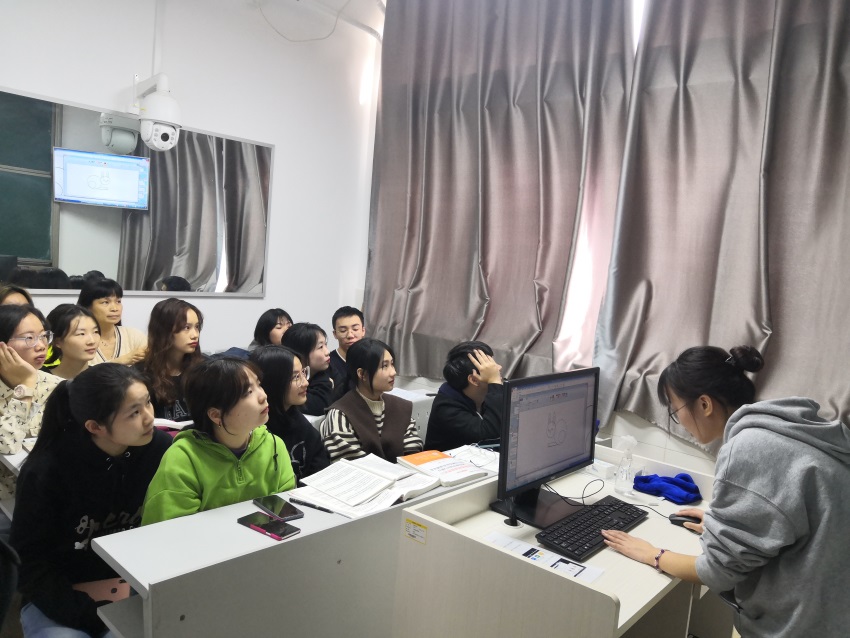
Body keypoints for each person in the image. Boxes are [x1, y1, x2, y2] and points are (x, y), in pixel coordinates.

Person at [601, 345, 850, 638]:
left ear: (704, 404)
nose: (679, 422)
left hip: (804, 625)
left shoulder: (749, 447)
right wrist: (724, 525)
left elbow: (716, 572)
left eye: (676, 411)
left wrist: (651, 553)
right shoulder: (788, 428)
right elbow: (791, 512)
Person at [11, 364, 171, 637]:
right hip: (61, 593)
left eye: (147, 403)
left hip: (135, 585)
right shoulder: (48, 469)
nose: (149, 418)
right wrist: (88, 614)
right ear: (95, 426)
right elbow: (30, 562)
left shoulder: (157, 448)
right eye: (134, 412)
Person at [142, 357, 296, 524]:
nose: (263, 396)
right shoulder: (183, 460)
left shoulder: (273, 445)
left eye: (259, 385)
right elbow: (174, 531)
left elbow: (287, 512)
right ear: (216, 415)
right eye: (248, 392)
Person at [321, 338, 422, 462]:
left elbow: (413, 454)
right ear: (362, 374)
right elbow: (351, 464)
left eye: (392, 364)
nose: (393, 372)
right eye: (384, 366)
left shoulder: (400, 407)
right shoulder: (340, 415)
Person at [0, 305, 61, 506]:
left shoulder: (56, 386)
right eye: (29, 338)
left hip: (46, 493)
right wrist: (26, 385)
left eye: (44, 336)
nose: (41, 345)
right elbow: (7, 445)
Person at [250, 345, 330, 481]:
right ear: (273, 382)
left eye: (303, 373)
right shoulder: (253, 431)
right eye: (295, 377)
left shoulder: (299, 422)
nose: (305, 383)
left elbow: (321, 471)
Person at [425, 341, 503, 451]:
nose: (498, 368)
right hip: (446, 459)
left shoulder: (486, 393)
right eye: (491, 367)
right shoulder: (446, 407)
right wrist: (494, 381)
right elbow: (489, 434)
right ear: (474, 380)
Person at [139, 298, 203, 421]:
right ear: (164, 330)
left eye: (197, 327)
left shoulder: (204, 368)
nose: (195, 335)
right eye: (186, 327)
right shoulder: (141, 374)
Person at [77, 278, 146, 365]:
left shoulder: (134, 336)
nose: (115, 308)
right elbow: (75, 372)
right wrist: (119, 361)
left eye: (118, 301)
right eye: (105, 302)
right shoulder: (77, 340)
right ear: (87, 307)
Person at [282, 322, 334, 416]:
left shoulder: (328, 372)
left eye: (325, 345)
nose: (327, 352)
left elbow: (320, 406)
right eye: (320, 347)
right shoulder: (282, 375)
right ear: (300, 352)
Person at [43, 304, 100, 379]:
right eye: (81, 334)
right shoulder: (41, 380)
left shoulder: (104, 379)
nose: (92, 341)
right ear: (57, 341)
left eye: (95, 332)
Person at [328, 306, 365, 391]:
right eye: (343, 330)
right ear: (335, 334)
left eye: (355, 329)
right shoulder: (328, 363)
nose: (350, 335)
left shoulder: (371, 359)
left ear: (363, 331)